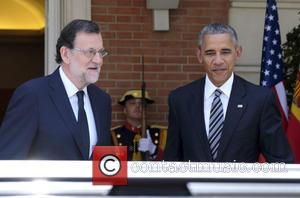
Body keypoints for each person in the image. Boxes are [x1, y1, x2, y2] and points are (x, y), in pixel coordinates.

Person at [164, 23, 294, 163]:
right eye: (210, 53)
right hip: (193, 185)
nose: (218, 61)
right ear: (199, 55)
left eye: (225, 52)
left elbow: (281, 162)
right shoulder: (180, 100)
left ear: (237, 53)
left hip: (241, 185)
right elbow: (172, 161)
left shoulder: (260, 100)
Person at [0, 19, 112, 160]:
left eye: (101, 52)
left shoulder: (102, 100)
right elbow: (7, 161)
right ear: (65, 54)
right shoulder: (32, 95)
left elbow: (104, 166)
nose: (98, 60)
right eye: (90, 52)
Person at [111, 90, 167, 160]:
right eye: (132, 103)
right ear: (125, 110)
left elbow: (172, 163)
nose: (137, 106)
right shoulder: (113, 135)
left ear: (146, 110)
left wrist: (154, 150)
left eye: (141, 104)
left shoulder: (161, 134)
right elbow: (101, 165)